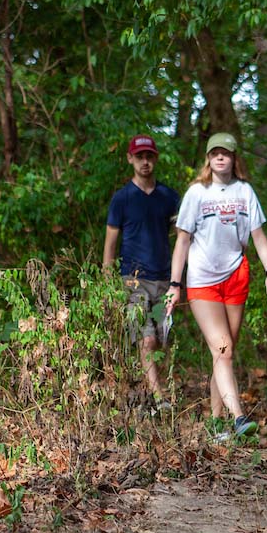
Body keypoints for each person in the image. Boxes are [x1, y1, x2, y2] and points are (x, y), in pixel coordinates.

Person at [165, 132, 267, 441]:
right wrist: (175, 284)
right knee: (222, 349)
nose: (220, 157)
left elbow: (259, 237)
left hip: (236, 276)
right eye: (214, 152)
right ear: (208, 158)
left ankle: (216, 424)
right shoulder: (197, 193)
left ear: (233, 158)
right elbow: (183, 241)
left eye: (225, 153)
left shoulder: (245, 191)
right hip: (202, 280)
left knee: (224, 353)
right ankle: (240, 418)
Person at [103, 134, 181, 401]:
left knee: (161, 339)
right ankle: (159, 397)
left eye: (149, 156)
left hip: (165, 278)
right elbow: (111, 241)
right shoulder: (122, 198)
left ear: (155, 158)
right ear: (130, 159)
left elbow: (183, 238)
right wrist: (107, 278)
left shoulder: (168, 196)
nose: (145, 162)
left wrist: (181, 278)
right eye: (139, 157)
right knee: (145, 339)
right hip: (133, 280)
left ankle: (156, 387)